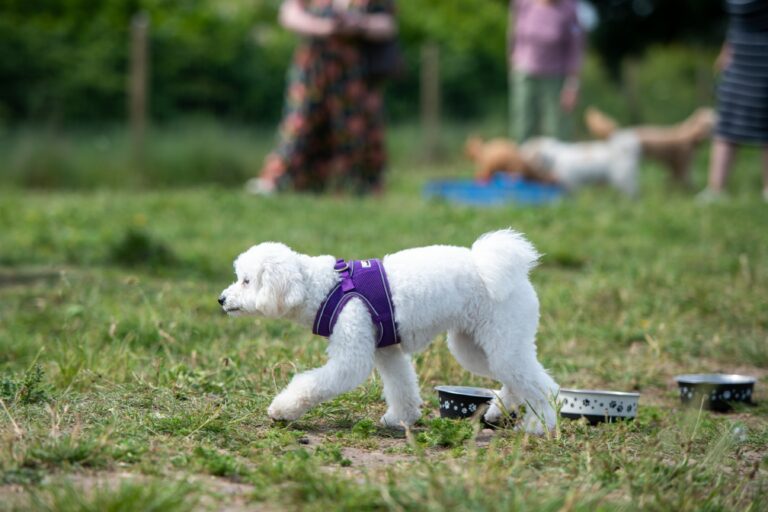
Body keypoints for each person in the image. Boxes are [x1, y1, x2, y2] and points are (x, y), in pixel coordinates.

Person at [247, 0, 397, 195]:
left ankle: (355, 186)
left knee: (355, 129)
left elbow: (387, 25)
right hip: (314, 67)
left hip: (356, 71)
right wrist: (324, 27)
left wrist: (360, 25)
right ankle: (279, 181)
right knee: (299, 124)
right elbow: (289, 15)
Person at [699, 0, 768, 203]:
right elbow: (736, 21)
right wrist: (726, 49)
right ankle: (716, 189)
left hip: (764, 55)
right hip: (739, 56)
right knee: (727, 121)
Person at [508, 0, 585, 143]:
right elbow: (513, 36)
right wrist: (513, 63)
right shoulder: (522, 4)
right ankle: (521, 164)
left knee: (558, 129)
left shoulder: (570, 8)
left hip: (556, 76)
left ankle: (560, 165)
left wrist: (572, 86)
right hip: (524, 73)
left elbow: (575, 50)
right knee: (523, 126)